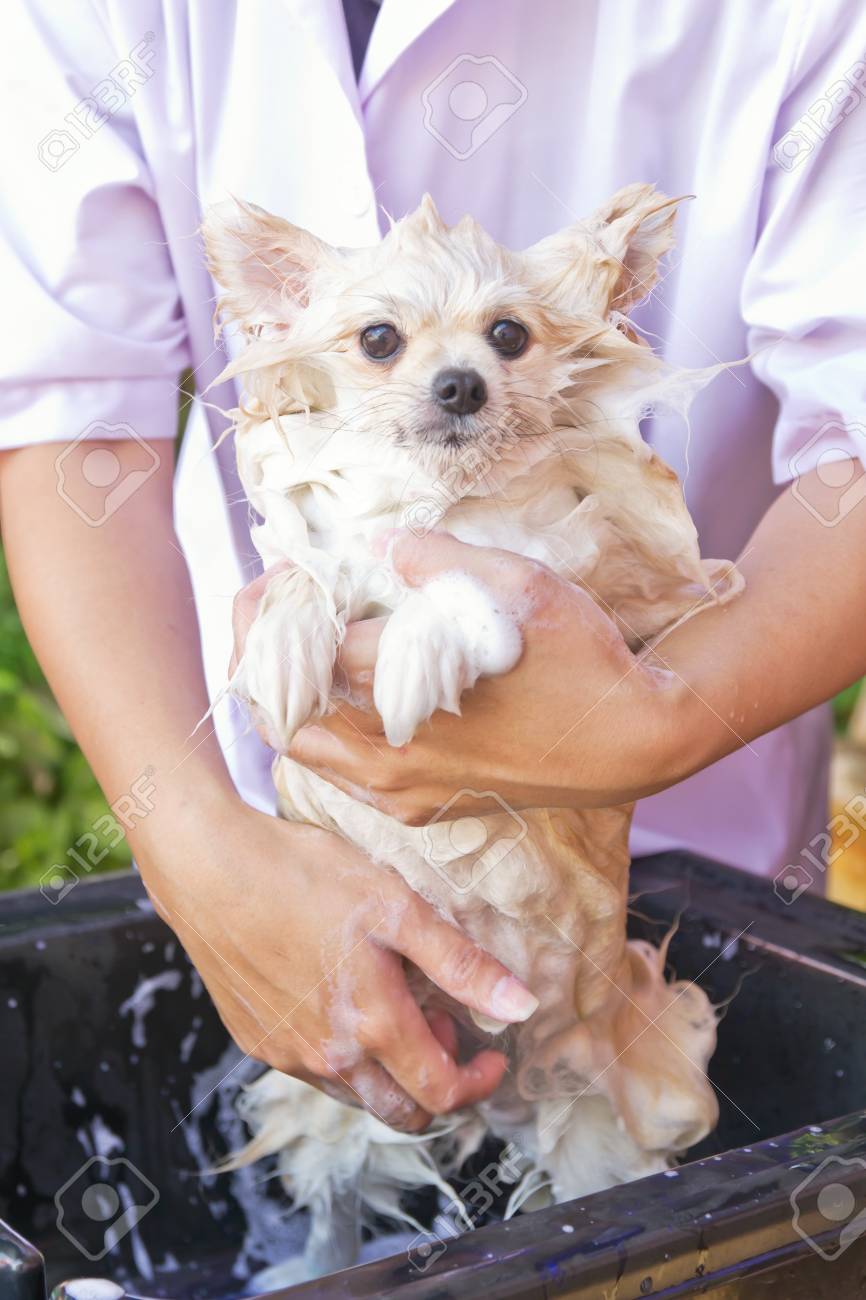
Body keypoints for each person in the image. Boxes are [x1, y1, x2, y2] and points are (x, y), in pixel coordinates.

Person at [2, 0, 865, 1129]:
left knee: (656, 1158)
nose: (456, 378)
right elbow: (73, 410)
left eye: (503, 341)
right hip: (292, 860)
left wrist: (670, 712)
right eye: (387, 345)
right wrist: (200, 855)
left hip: (688, 875)